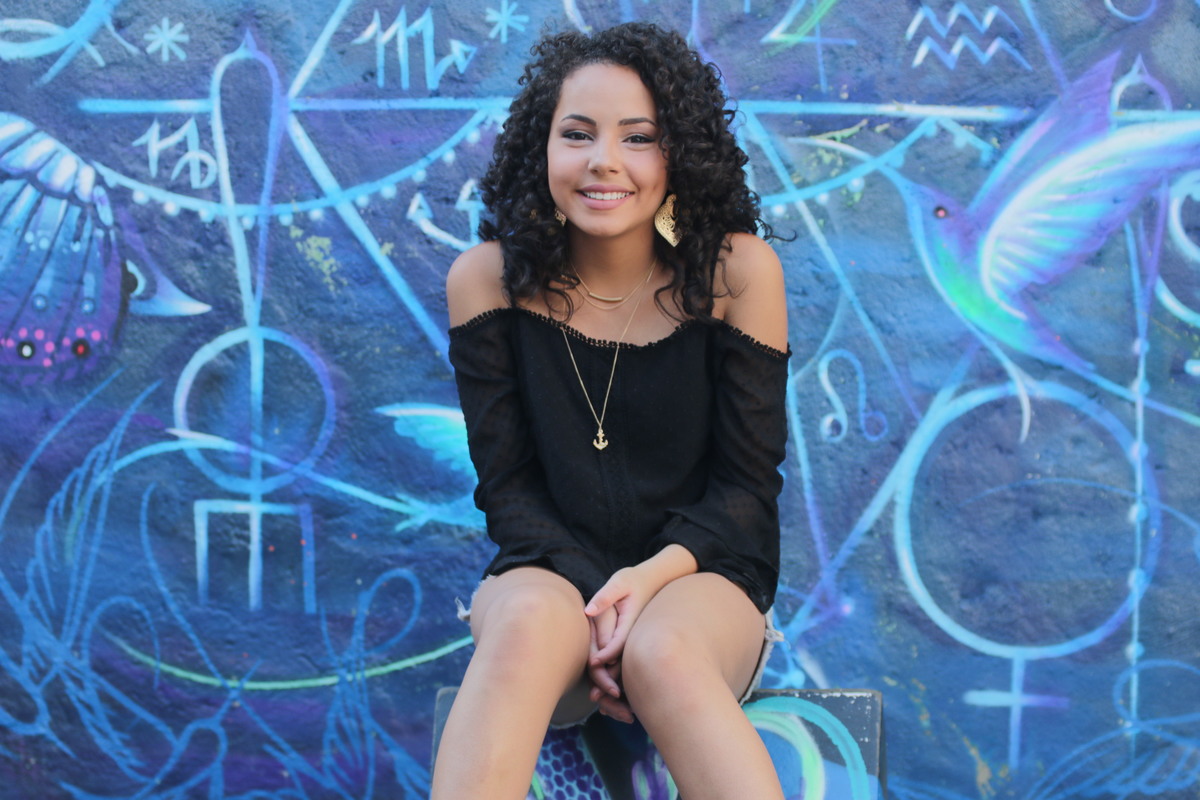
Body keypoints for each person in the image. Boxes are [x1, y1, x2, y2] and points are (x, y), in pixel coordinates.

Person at [432, 22, 789, 800]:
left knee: (665, 652)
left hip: (700, 575)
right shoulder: (485, 281)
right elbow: (509, 492)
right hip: (548, 576)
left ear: (679, 154)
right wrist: (597, 610)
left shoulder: (739, 274)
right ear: (541, 149)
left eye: (639, 137)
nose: (604, 160)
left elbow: (745, 492)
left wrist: (645, 586)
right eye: (577, 134)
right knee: (528, 627)